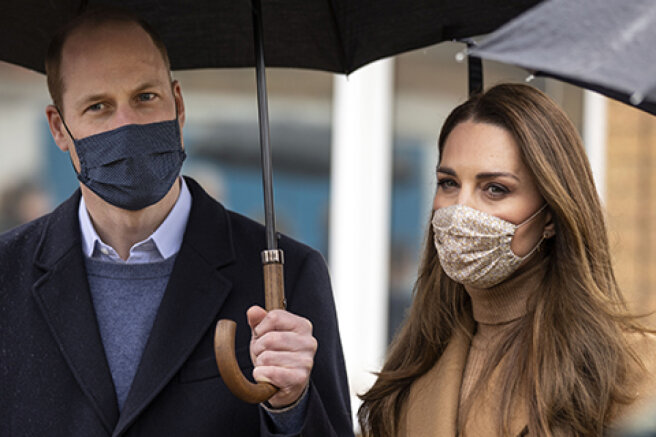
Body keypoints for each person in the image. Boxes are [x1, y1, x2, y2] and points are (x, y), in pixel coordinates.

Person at [0, 8, 352, 437]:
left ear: (178, 104)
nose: (126, 124)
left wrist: (290, 407)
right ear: (58, 128)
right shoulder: (6, 276)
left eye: (145, 97)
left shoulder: (288, 276)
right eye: (98, 106)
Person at [358, 83, 656, 437]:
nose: (460, 209)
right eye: (448, 183)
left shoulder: (630, 368)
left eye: (495, 188)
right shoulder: (410, 371)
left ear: (550, 215)